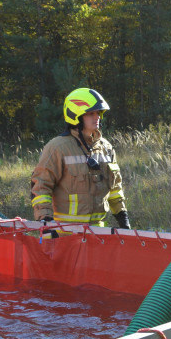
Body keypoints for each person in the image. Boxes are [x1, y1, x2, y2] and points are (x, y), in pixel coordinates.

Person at [30, 88, 130, 233]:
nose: (97, 117)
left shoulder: (105, 147)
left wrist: (122, 218)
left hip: (97, 235)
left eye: (98, 113)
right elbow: (40, 186)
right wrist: (45, 221)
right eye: (90, 113)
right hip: (64, 235)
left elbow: (115, 188)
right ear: (75, 115)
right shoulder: (58, 148)